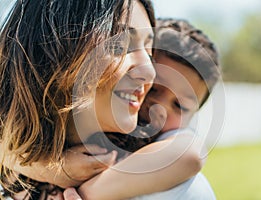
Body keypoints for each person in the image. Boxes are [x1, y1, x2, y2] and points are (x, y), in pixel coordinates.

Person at [0, 0, 157, 198]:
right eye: (119, 45)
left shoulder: (165, 185)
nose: (149, 72)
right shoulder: (12, 176)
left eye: (150, 53)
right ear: (54, 51)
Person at [67, 18, 220, 200]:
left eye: (179, 106)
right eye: (153, 88)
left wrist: (88, 193)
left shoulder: (169, 141)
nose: (159, 108)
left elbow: (190, 155)